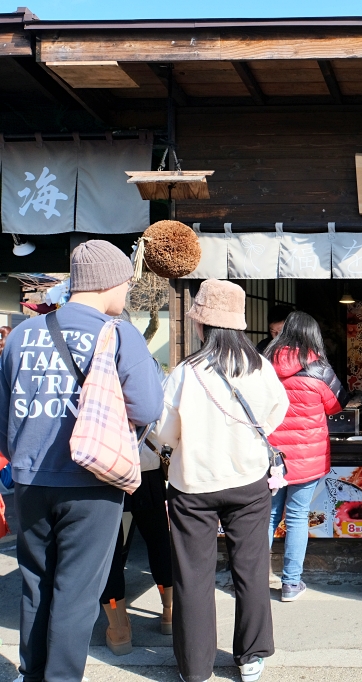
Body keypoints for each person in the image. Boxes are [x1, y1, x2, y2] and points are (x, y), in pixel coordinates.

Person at [0, 241, 164, 682]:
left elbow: (4, 415)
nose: (127, 293)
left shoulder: (21, 334)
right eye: (126, 284)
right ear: (109, 282)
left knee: (35, 581)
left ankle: (33, 674)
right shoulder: (117, 333)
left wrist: (22, 458)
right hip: (92, 479)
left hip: (30, 477)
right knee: (76, 591)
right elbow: (148, 408)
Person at [152, 279, 289, 682]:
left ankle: (195, 668)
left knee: (192, 577)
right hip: (247, 481)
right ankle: (250, 657)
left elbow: (163, 431)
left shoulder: (184, 373)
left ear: (201, 326)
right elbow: (275, 414)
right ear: (239, 325)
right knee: (251, 569)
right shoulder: (260, 366)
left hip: (193, 484)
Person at [265, 311, 347, 602]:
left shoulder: (263, 364)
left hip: (272, 458)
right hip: (308, 458)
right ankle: (290, 583)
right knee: (297, 517)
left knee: (269, 516)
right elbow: (337, 405)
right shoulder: (319, 369)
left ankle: (252, 582)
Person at [99, 442, 175, 655]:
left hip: (105, 469)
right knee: (159, 541)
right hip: (145, 468)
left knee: (109, 551)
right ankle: (169, 612)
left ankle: (119, 629)